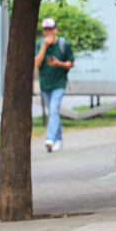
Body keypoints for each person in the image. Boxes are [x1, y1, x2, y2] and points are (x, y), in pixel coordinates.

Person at [34, 17, 75, 153]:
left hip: (59, 83)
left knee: (53, 109)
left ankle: (50, 138)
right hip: (45, 83)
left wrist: (59, 64)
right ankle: (58, 140)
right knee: (53, 112)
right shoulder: (40, 45)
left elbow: (70, 63)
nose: (48, 32)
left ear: (55, 30)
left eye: (50, 29)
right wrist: (44, 46)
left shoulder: (64, 44)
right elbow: (36, 63)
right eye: (45, 30)